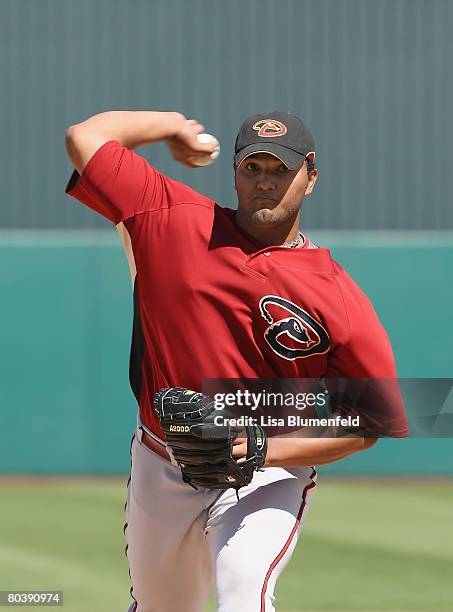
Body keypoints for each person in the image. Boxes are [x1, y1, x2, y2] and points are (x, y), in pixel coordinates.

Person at [65, 110, 407, 612]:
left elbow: (376, 419)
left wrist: (262, 448)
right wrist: (171, 127)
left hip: (266, 474)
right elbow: (84, 137)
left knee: (245, 598)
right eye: (253, 169)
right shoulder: (171, 217)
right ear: (235, 174)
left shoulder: (337, 296)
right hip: (163, 460)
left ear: (310, 177)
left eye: (280, 171)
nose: (265, 183)